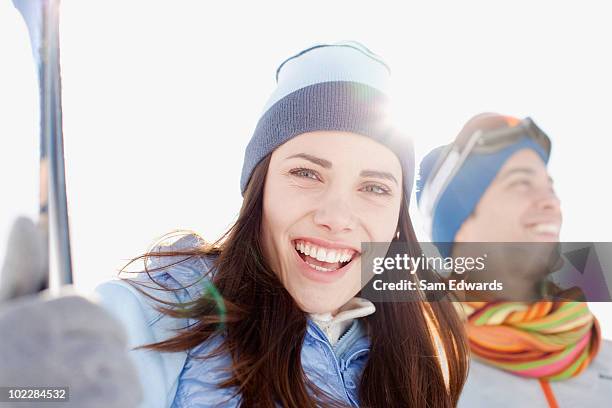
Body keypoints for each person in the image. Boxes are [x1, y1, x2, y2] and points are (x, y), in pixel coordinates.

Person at [95, 42, 469, 408]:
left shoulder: (417, 366)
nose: (336, 218)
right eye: (306, 173)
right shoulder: (166, 312)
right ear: (260, 187)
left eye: (373, 187)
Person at [417, 113, 612, 407]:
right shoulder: (416, 369)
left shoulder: (605, 360)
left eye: (550, 185)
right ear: (461, 226)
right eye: (521, 183)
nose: (552, 202)